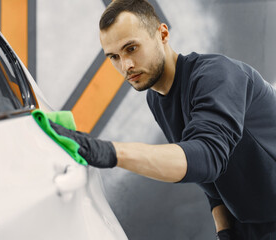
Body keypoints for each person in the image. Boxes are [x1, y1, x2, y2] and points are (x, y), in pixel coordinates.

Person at [49, 0, 276, 239]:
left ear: (163, 34)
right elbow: (213, 183)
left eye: (131, 48)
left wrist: (110, 153)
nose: (125, 65)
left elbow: (207, 157)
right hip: (248, 225)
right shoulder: (156, 99)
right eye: (113, 57)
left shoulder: (217, 75)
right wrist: (225, 231)